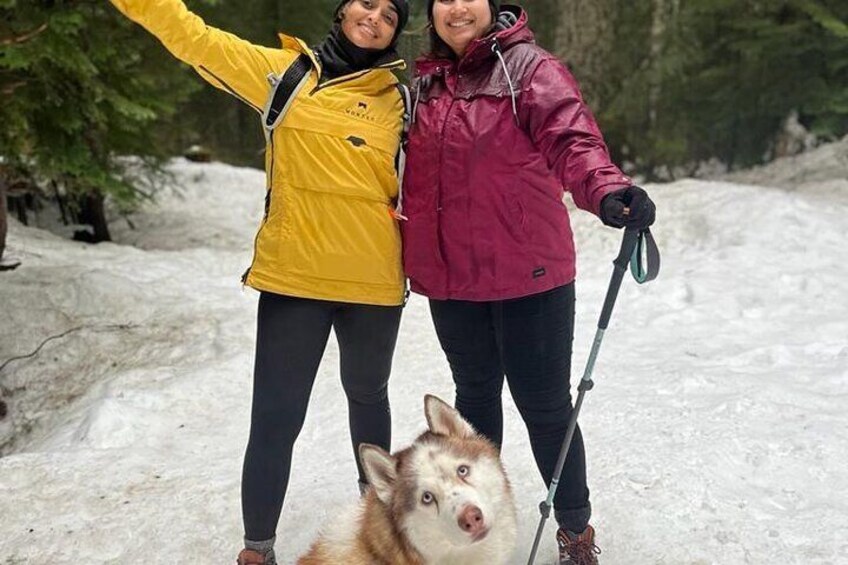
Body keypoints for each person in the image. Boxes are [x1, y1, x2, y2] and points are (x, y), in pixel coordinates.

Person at [106, 1, 410, 563]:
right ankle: (257, 549)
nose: (375, 17)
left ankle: (381, 535)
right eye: (366, 3)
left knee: (368, 399)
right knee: (276, 413)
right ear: (343, 10)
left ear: (397, 31)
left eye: (391, 14)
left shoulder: (403, 101)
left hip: (373, 285)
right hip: (295, 279)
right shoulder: (283, 74)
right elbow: (193, 37)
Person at [401, 2, 656, 564]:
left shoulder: (530, 70)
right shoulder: (424, 87)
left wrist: (607, 190)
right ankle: (479, 527)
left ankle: (574, 531)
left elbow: (572, 138)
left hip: (529, 276)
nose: (456, 7)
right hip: (454, 282)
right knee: (473, 409)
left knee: (544, 407)